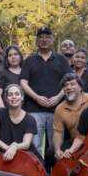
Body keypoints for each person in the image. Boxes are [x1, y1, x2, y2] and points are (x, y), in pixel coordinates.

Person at [20, 26, 71, 162]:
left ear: (52, 40)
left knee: (55, 147)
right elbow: (23, 83)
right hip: (34, 110)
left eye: (47, 37)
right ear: (37, 40)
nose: (44, 40)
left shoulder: (61, 60)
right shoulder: (29, 60)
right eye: (41, 37)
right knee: (34, 146)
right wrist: (36, 98)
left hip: (57, 110)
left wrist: (58, 97)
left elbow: (69, 83)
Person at [0, 83, 40, 161]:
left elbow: (26, 144)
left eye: (17, 94)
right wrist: (7, 148)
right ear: (6, 99)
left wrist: (15, 146)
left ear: (22, 97)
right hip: (5, 155)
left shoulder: (30, 119)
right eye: (10, 95)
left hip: (26, 157)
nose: (13, 97)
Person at [52, 73, 88, 161]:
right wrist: (57, 150)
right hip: (74, 142)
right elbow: (58, 133)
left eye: (72, 84)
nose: (69, 87)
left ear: (80, 87)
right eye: (66, 85)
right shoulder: (60, 109)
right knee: (50, 153)